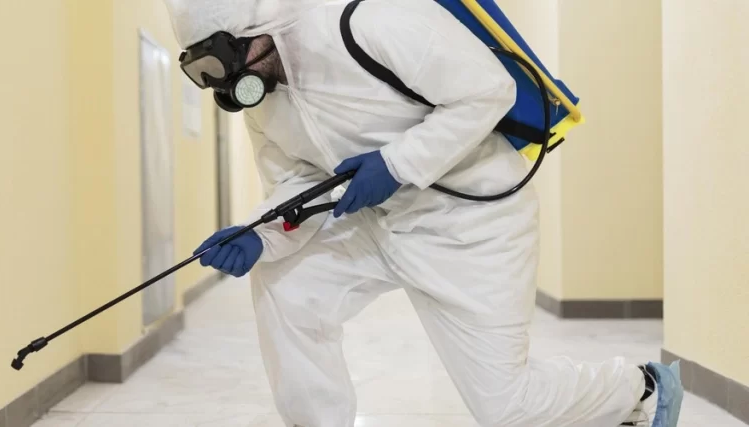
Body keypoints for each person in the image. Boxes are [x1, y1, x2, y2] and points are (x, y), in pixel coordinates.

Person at [166, 0, 684, 426]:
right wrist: (260, 234)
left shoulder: (370, 22)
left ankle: (640, 387)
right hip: (374, 224)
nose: (229, 85)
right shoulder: (263, 99)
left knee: (508, 408)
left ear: (259, 24)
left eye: (227, 60)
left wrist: (397, 163)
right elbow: (296, 182)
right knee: (284, 282)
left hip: (469, 227)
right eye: (205, 73)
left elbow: (487, 90)